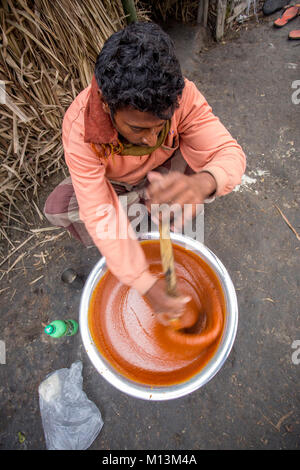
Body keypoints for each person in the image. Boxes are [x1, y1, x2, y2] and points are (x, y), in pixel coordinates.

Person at [44, 21, 246, 324]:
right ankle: (136, 221)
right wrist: (144, 282)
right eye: (137, 128)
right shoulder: (80, 127)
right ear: (107, 105)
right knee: (61, 209)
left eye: (159, 125)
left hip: (167, 171)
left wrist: (203, 183)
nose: (151, 140)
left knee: (206, 173)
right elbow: (99, 211)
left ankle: (159, 206)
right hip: (118, 183)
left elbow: (230, 154)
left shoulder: (183, 96)